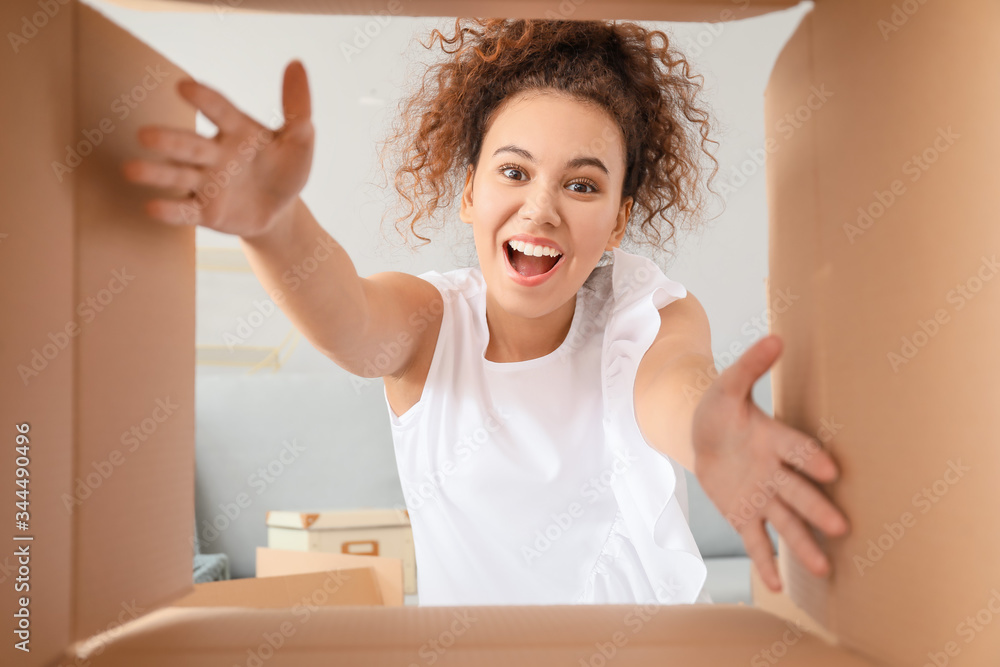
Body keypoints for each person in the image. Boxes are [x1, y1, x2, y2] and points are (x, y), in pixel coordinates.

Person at [121, 18, 849, 606]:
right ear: (470, 193)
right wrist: (273, 225)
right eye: (514, 171)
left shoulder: (646, 307)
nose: (541, 207)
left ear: (620, 221)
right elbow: (348, 320)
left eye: (583, 186)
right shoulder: (432, 320)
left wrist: (706, 435)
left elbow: (671, 386)